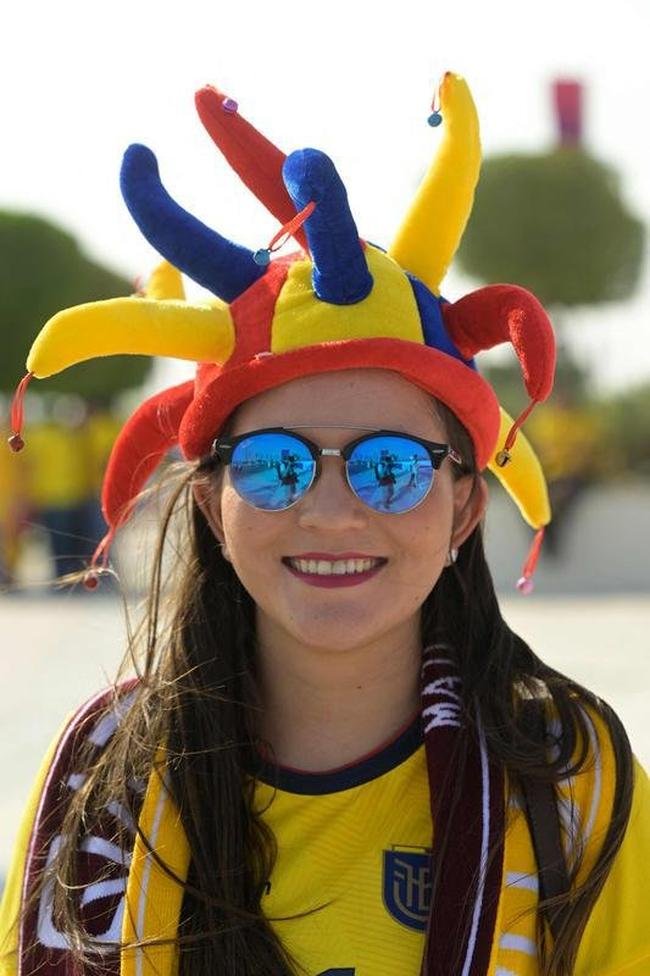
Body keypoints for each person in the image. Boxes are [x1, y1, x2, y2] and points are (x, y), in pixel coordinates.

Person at [2, 74, 649, 976]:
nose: (334, 511)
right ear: (211, 506)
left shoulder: (576, 782)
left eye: (391, 465)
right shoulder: (95, 786)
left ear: (465, 503)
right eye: (275, 465)